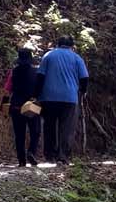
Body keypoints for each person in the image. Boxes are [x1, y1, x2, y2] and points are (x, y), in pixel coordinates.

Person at [37, 35, 89, 165]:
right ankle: (63, 156)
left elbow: (40, 76)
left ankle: (50, 155)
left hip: (48, 97)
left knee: (49, 126)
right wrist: (83, 91)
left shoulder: (48, 56)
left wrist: (36, 94)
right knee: (66, 128)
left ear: (57, 44)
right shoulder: (77, 58)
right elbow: (84, 78)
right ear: (72, 46)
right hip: (69, 98)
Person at [0, 47, 41, 167]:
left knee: (19, 134)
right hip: (31, 105)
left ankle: (21, 160)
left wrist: (3, 105)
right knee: (35, 131)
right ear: (30, 59)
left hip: (16, 106)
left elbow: (7, 90)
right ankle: (31, 152)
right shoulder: (36, 72)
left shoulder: (13, 72)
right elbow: (39, 88)